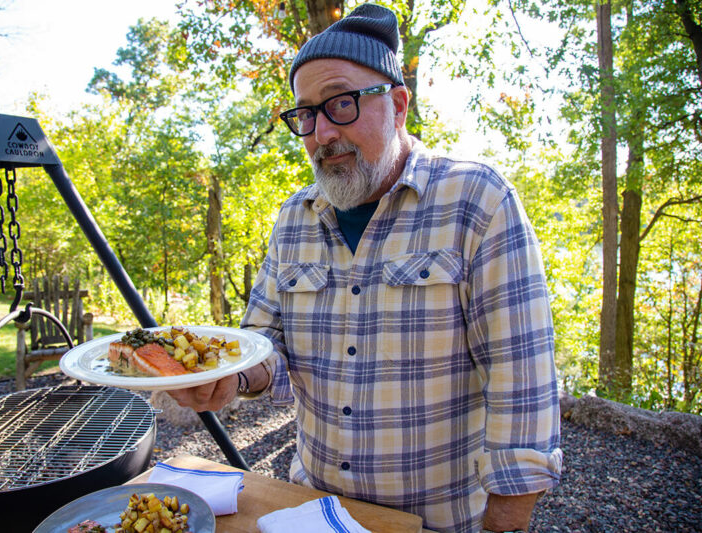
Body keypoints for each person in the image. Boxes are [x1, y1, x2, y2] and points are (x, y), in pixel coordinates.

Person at [168, 4, 562, 532]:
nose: (321, 133)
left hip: (437, 520)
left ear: (398, 104)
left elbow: (522, 378)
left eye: (341, 104)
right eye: (306, 114)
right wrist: (229, 377)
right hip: (310, 511)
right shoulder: (294, 219)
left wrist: (508, 518)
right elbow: (264, 345)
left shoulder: (477, 200)